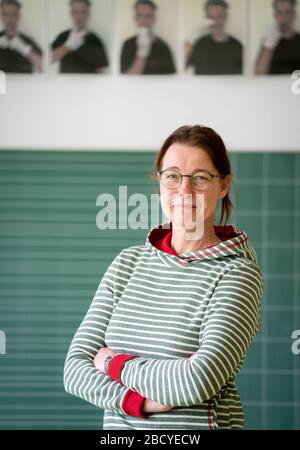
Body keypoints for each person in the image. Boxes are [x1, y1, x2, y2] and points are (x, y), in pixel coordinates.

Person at [63, 125, 264, 430]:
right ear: (160, 183)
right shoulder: (128, 264)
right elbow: (75, 371)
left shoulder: (237, 274)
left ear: (223, 185)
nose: (184, 191)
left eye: (200, 177)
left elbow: (198, 380)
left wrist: (111, 363)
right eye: (172, 176)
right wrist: (139, 402)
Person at [186, 0, 243, 75]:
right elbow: (185, 68)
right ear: (206, 18)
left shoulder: (237, 46)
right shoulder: (200, 44)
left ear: (226, 17)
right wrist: (191, 39)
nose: (215, 22)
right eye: (211, 18)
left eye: (220, 17)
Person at [51, 0, 109, 74]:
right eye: (75, 12)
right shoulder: (63, 36)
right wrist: (68, 45)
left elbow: (100, 70)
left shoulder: (95, 40)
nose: (79, 16)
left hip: (89, 84)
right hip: (65, 84)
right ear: (71, 14)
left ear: (88, 14)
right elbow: (48, 61)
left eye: (83, 12)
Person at [120, 0, 176, 75]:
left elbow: (171, 79)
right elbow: (126, 79)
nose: (143, 20)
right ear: (135, 18)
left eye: (148, 16)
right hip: (134, 86)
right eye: (140, 15)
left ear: (154, 19)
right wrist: (142, 51)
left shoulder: (163, 47)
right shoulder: (128, 45)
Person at [255, 0, 300, 75]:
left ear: (294, 15)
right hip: (273, 86)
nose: (284, 17)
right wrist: (269, 44)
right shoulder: (267, 42)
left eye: (288, 12)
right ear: (275, 15)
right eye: (279, 12)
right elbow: (259, 74)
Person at [0, 0, 42, 73]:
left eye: (13, 14)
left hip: (24, 84)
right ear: (1, 16)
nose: (9, 19)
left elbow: (43, 66)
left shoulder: (27, 41)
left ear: (18, 17)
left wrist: (23, 48)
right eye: (6, 14)